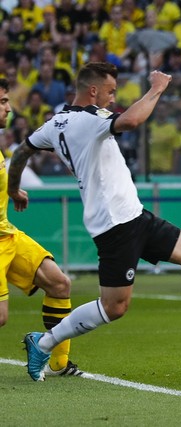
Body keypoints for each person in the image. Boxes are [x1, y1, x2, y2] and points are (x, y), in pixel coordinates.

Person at [9, 63, 181, 382]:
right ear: (93, 90)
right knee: (115, 307)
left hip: (133, 214)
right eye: (110, 91)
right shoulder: (90, 120)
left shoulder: (55, 123)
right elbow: (131, 120)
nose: (112, 98)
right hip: (114, 224)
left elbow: (22, 151)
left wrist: (12, 188)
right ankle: (44, 342)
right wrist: (157, 88)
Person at [0, 78, 81, 377]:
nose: (8, 107)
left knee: (59, 284)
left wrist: (13, 191)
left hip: (7, 235)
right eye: (2, 102)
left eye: (7, 100)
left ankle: (58, 363)